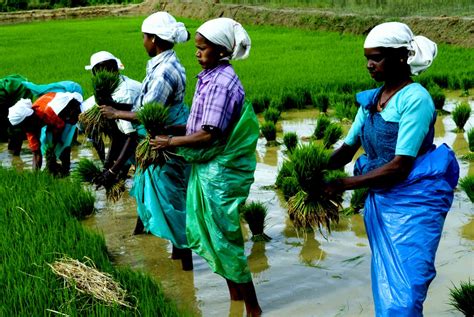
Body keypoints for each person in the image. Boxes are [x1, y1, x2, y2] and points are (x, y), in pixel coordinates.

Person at [323, 22, 459, 316]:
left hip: (414, 200)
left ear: (401, 57)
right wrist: (312, 167)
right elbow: (347, 150)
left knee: (408, 287)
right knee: (387, 282)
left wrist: (343, 184)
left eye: (378, 57)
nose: (370, 65)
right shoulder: (371, 101)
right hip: (382, 201)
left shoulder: (415, 99)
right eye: (367, 58)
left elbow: (400, 166)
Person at [150, 17, 262, 316]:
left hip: (220, 172)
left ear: (221, 51)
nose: (197, 53)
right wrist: (167, 130)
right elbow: (195, 124)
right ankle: (235, 299)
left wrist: (170, 142)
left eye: (203, 49)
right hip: (209, 167)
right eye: (197, 48)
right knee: (215, 234)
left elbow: (210, 133)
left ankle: (253, 308)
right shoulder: (209, 77)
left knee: (224, 236)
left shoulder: (222, 83)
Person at [99, 12, 192, 270]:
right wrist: (114, 106)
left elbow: (148, 112)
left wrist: (117, 113)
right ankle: (178, 257)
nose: (142, 42)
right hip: (166, 135)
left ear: (154, 39)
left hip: (166, 140)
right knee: (171, 199)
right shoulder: (166, 62)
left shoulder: (164, 71)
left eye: (144, 37)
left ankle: (187, 269)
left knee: (171, 203)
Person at [83, 51, 141, 184]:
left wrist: (112, 171)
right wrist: (107, 165)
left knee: (145, 182)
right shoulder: (110, 88)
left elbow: (131, 136)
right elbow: (117, 134)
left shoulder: (123, 93)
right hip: (134, 137)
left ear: (97, 73)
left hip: (147, 139)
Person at [8, 92, 83, 173]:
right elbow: (36, 153)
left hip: (64, 111)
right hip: (51, 119)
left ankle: (66, 170)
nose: (24, 130)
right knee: (46, 144)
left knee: (63, 145)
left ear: (30, 118)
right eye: (22, 128)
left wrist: (52, 150)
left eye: (24, 126)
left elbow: (59, 128)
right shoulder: (29, 128)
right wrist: (35, 176)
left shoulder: (48, 112)